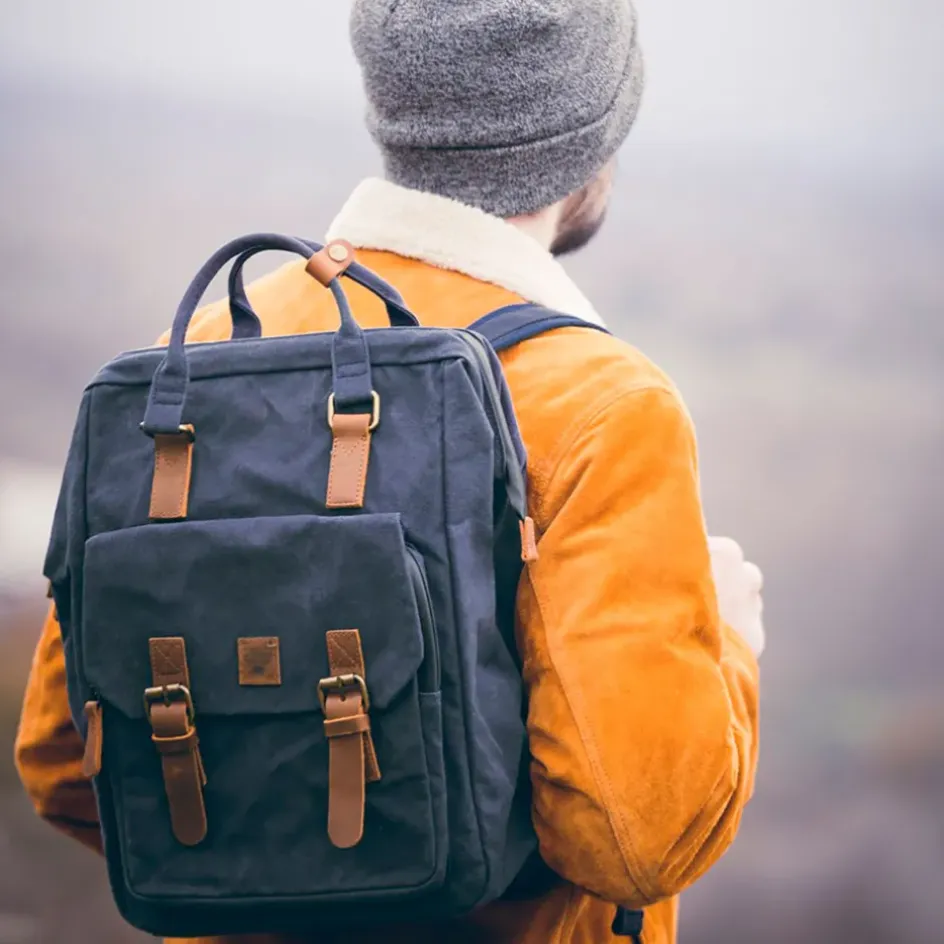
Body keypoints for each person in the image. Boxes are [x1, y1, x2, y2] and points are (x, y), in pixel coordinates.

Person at [15, 2, 763, 942]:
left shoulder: (185, 366)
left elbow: (63, 762)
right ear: (595, 131)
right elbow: (631, 838)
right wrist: (726, 644)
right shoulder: (605, 406)